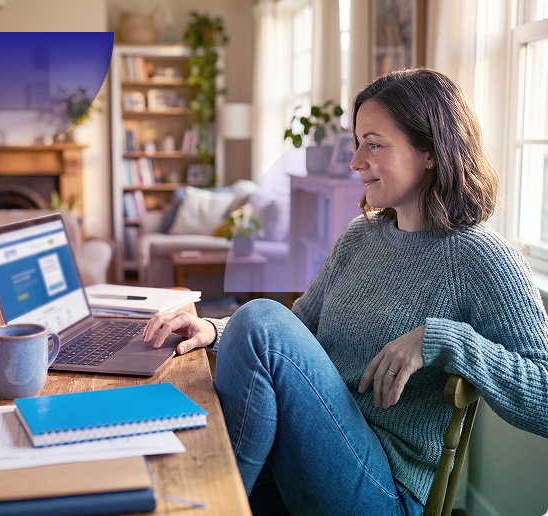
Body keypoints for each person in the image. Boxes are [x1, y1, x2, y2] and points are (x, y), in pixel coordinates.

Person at [143, 68, 548, 515]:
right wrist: (215, 330)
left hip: (384, 488)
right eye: (357, 143)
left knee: (259, 316)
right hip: (310, 457)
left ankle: (203, 504)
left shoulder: (481, 256)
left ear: (430, 151)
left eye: (373, 144)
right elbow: (294, 334)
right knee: (163, 447)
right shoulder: (360, 236)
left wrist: (441, 339)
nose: (355, 161)